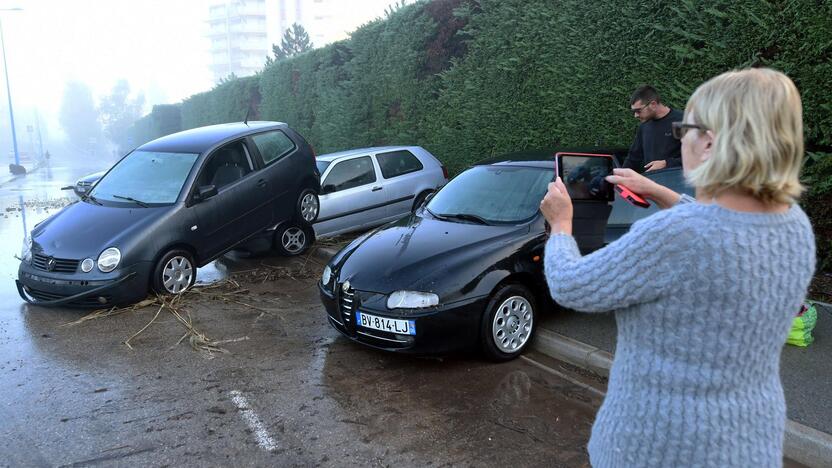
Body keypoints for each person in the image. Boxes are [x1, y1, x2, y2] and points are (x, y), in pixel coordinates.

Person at [539, 68, 815, 467]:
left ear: (710, 142)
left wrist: (561, 224)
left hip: (660, 447)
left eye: (685, 128)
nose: (680, 136)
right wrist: (658, 191)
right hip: (751, 440)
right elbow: (723, 232)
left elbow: (571, 286)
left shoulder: (677, 235)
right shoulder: (794, 224)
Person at [623, 85, 683, 172]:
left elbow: (697, 157)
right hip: (651, 182)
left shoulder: (680, 121)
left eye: (638, 111)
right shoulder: (644, 126)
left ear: (653, 104)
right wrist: (619, 177)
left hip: (677, 182)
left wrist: (666, 163)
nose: (635, 115)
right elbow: (633, 158)